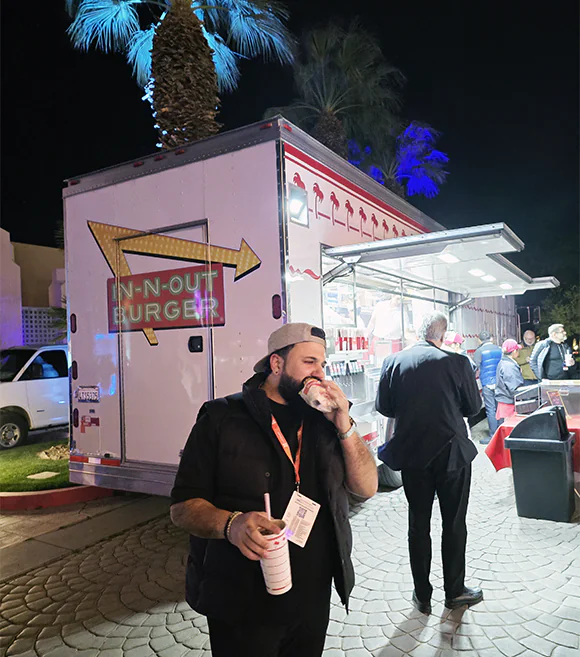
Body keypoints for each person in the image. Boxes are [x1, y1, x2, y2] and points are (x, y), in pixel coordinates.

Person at [170, 323, 378, 657]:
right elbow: (182, 506)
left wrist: (345, 425)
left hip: (311, 597)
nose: (320, 374)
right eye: (309, 362)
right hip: (242, 602)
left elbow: (367, 487)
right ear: (276, 364)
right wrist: (232, 524)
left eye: (323, 365)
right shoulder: (221, 417)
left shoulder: (324, 421)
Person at [375, 312, 483, 615]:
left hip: (412, 455)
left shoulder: (393, 362)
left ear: (418, 332)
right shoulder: (457, 362)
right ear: (444, 334)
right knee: (454, 522)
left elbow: (385, 407)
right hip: (452, 454)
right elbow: (473, 407)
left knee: (417, 524)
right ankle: (455, 591)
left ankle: (422, 594)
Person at [473, 330, 502, 444]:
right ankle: (501, 434)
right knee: (500, 407)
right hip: (499, 383)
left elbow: (475, 366)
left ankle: (493, 435)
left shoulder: (479, 351)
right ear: (491, 338)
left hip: (487, 383)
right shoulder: (499, 349)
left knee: (490, 409)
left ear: (479, 340)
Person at [495, 339, 525, 422]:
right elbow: (514, 388)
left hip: (505, 401)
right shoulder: (509, 366)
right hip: (509, 404)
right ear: (514, 351)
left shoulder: (503, 362)